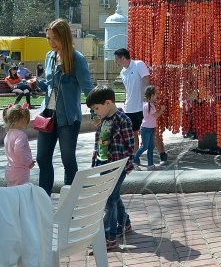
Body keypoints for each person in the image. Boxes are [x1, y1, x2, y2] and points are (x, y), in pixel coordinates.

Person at [36, 19, 96, 196]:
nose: (52, 42)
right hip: (47, 115)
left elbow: (87, 88)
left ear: (64, 37)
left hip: (68, 118)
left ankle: (69, 204)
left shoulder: (77, 59)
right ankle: (43, 204)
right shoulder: (49, 57)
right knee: (42, 159)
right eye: (48, 38)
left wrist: (96, 112)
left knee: (68, 160)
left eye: (55, 38)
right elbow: (49, 84)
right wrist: (38, 84)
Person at [86, 85, 135, 250]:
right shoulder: (104, 120)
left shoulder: (123, 119)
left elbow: (130, 145)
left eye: (96, 108)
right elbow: (98, 145)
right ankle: (125, 223)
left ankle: (109, 236)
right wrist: (95, 164)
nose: (95, 112)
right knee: (113, 197)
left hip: (117, 167)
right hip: (103, 165)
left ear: (108, 103)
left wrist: (129, 165)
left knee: (109, 199)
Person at [113, 48, 167, 165]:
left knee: (152, 132)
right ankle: (135, 158)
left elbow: (146, 80)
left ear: (123, 58)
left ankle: (162, 153)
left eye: (116, 59)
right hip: (129, 109)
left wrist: (148, 100)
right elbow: (128, 89)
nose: (115, 61)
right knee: (133, 134)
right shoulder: (122, 72)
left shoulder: (138, 64)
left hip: (142, 107)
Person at [2, 103, 35, 186]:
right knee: (20, 193)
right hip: (20, 171)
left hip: (10, 169)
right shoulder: (21, 135)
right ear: (23, 119)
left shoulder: (8, 134)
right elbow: (19, 151)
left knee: (12, 192)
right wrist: (28, 162)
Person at [133, 85, 165, 170]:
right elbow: (157, 115)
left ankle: (150, 165)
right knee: (144, 146)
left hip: (151, 128)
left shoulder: (147, 104)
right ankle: (133, 162)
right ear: (150, 96)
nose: (156, 97)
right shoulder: (150, 106)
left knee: (151, 147)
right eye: (154, 95)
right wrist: (162, 109)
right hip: (146, 129)